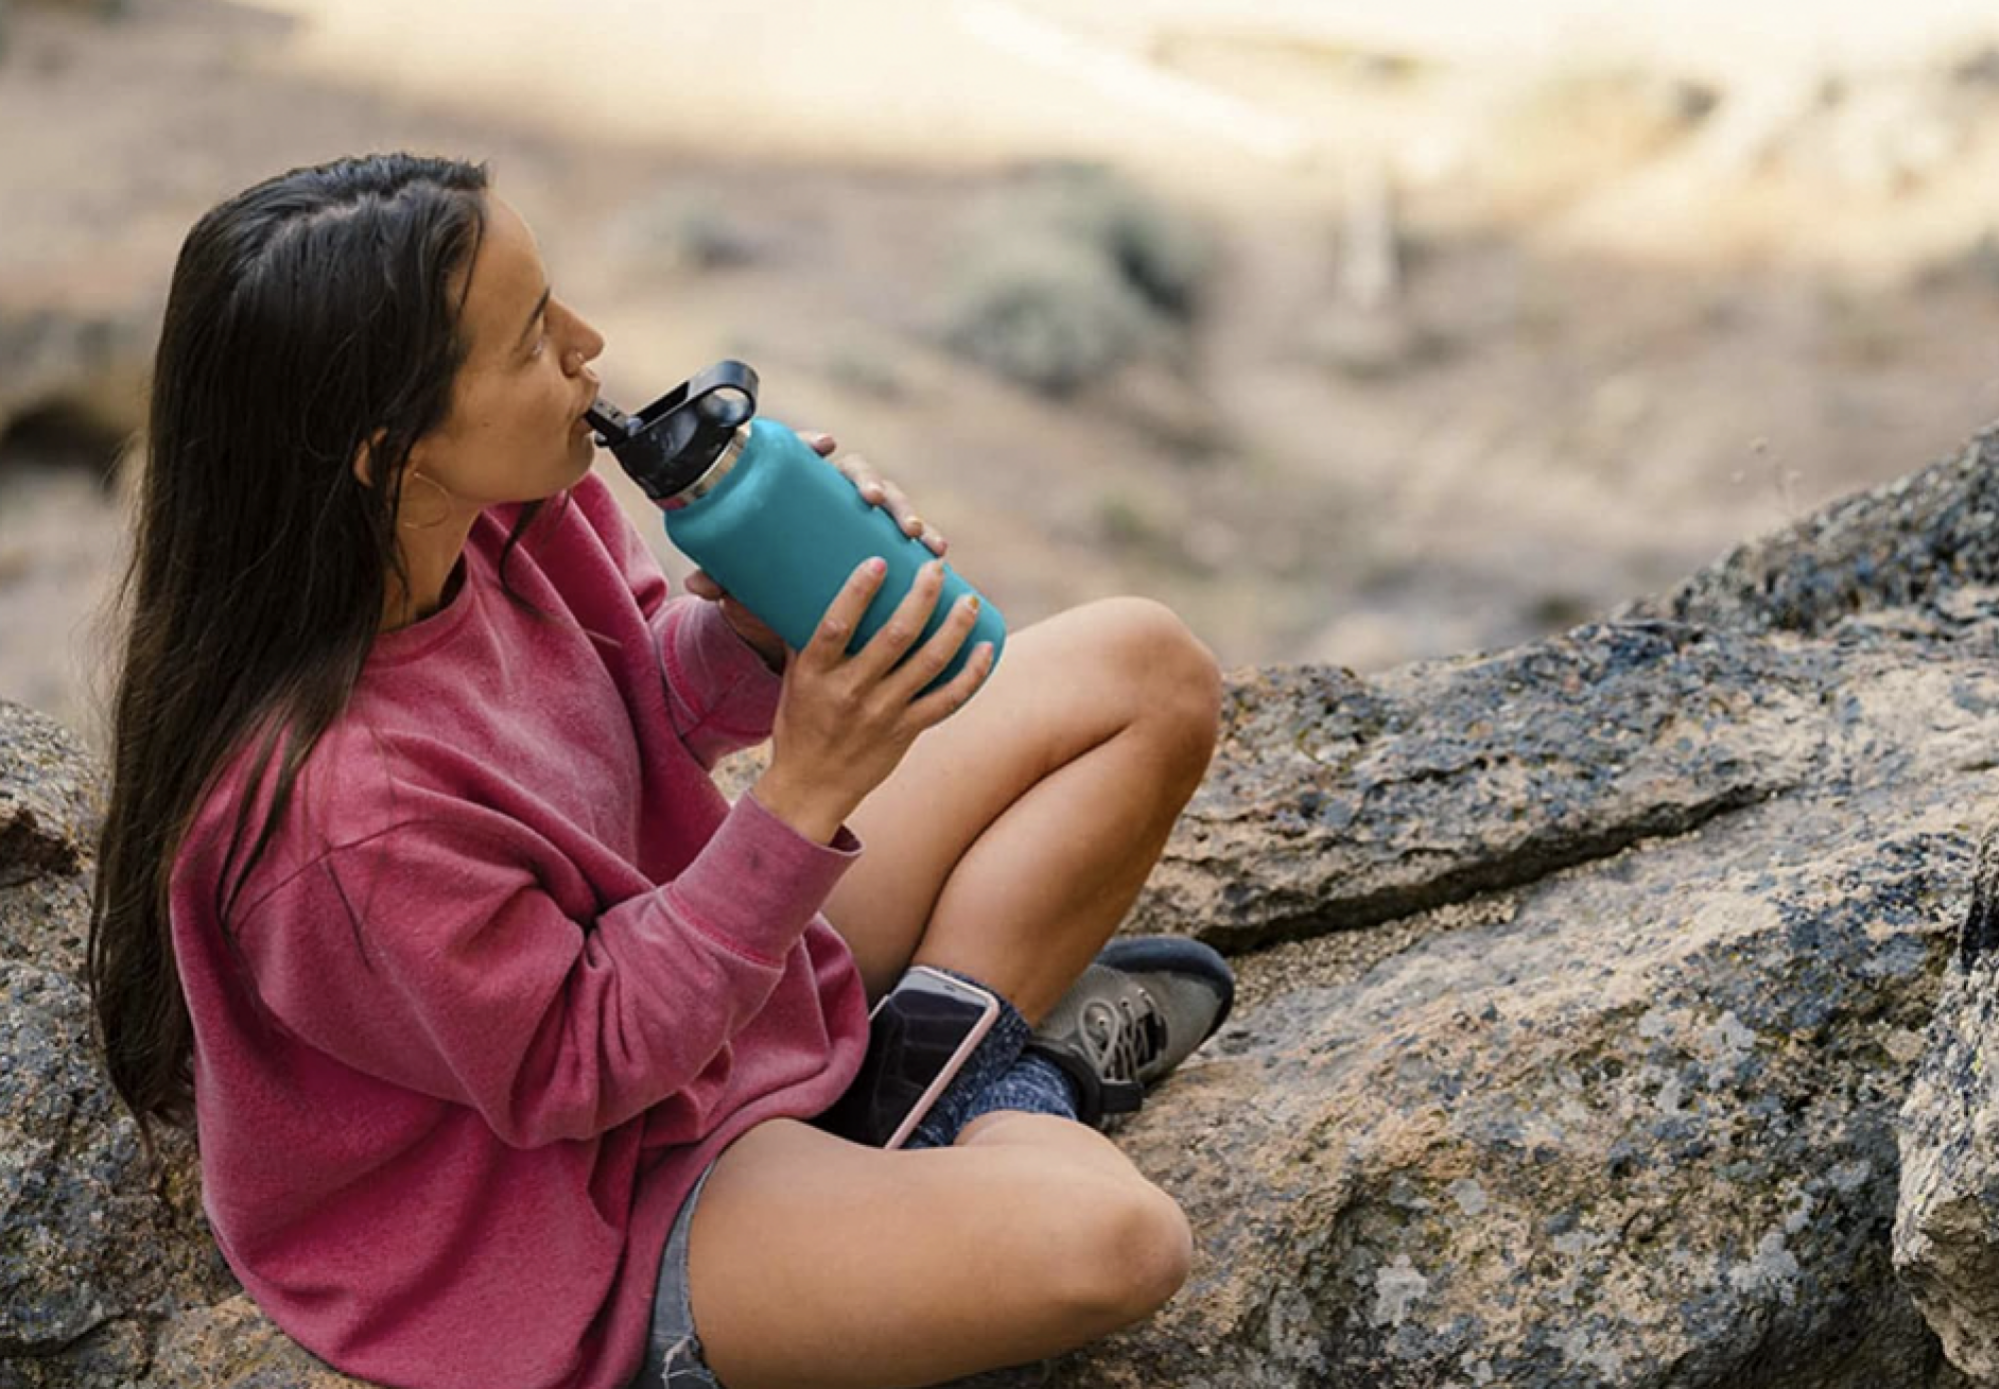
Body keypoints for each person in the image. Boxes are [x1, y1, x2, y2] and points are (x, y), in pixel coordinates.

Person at [84, 152, 1234, 1389]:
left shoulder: (504, 508)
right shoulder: (338, 814)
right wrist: (805, 792)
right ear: (390, 452)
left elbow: (641, 703)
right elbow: (580, 1066)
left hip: (690, 960)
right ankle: (1009, 1078)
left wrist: (762, 625)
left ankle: (919, 1076)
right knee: (1114, 1244)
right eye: (531, 342)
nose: (588, 347)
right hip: (587, 1192)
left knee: (1143, 669)